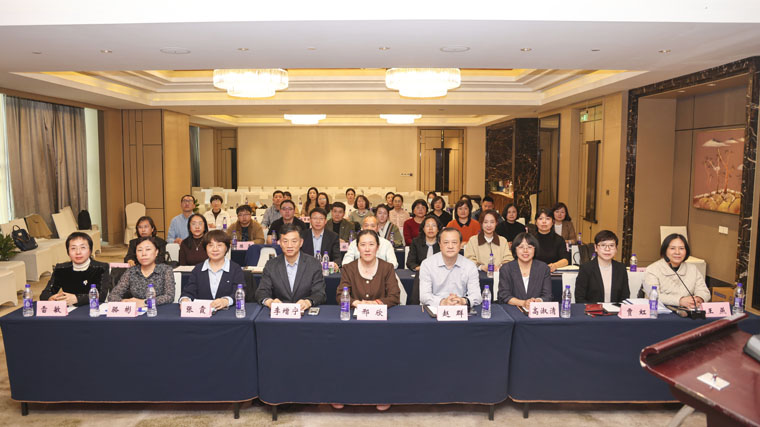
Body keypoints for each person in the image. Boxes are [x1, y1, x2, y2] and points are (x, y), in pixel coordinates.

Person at [256, 224, 327, 309]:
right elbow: (261, 292)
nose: (289, 245)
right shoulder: (271, 265)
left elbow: (320, 293)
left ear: (301, 242)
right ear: (279, 243)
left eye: (294, 241)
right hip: (280, 312)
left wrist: (308, 302)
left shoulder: (313, 264)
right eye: (285, 241)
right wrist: (270, 302)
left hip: (305, 312)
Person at [179, 230, 245, 311]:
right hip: (202, 314)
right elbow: (189, 291)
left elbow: (239, 291)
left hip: (228, 314)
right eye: (210, 245)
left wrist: (226, 301)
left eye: (219, 245)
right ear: (205, 248)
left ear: (226, 248)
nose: (215, 249)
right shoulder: (198, 269)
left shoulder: (235, 268)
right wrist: (185, 299)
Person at [40, 232, 111, 305]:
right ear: (68, 252)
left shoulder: (101, 268)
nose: (78, 252)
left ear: (90, 250)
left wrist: (77, 299)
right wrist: (50, 298)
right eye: (73, 248)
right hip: (69, 309)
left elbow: (101, 296)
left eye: (83, 247)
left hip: (93, 308)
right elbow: (45, 294)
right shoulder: (61, 269)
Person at [418, 227, 483, 308]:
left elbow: (477, 296)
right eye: (446, 242)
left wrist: (463, 301)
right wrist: (443, 302)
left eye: (454, 242)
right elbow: (424, 296)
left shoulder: (470, 266)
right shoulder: (427, 264)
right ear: (440, 244)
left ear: (460, 245)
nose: (450, 246)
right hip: (435, 308)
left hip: (460, 307)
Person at [643, 233, 710, 309]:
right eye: (672, 248)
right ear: (665, 250)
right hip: (660, 311)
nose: (677, 252)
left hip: (688, 310)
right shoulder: (653, 269)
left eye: (681, 248)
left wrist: (698, 299)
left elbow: (704, 291)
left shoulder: (693, 269)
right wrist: (680, 301)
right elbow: (653, 295)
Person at [338, 229, 400, 307]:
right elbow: (340, 295)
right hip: (356, 312)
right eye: (363, 245)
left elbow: (394, 296)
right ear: (357, 248)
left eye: (371, 244)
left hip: (381, 313)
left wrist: (375, 303)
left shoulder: (387, 268)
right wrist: (357, 303)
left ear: (377, 247)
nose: (367, 249)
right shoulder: (349, 268)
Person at [110, 236, 175, 306]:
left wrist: (144, 302)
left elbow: (169, 296)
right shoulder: (131, 271)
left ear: (156, 252)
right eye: (139, 250)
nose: (143, 254)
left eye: (148, 249)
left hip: (158, 310)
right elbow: (113, 295)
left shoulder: (166, 270)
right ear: (136, 254)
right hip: (136, 310)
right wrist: (124, 301)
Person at [497, 232, 552, 308]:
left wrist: (537, 301)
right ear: (515, 249)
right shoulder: (506, 268)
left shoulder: (543, 268)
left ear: (535, 249)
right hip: (512, 310)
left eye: (529, 247)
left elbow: (547, 295)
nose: (525, 250)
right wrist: (523, 303)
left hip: (536, 310)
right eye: (521, 247)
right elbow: (504, 295)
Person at [575, 230, 630, 303]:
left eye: (611, 245)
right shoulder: (586, 268)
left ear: (616, 249)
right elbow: (579, 298)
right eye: (603, 245)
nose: (607, 249)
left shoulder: (621, 268)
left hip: (615, 309)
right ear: (595, 248)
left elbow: (625, 297)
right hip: (592, 309)